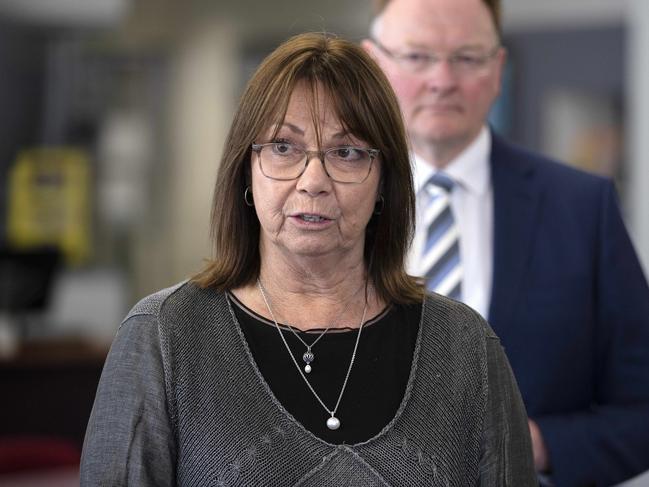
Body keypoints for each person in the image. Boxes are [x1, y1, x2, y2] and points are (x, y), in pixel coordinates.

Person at [80, 32, 536, 485]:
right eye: (283, 147)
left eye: (347, 152)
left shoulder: (465, 347)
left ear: (384, 182)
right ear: (247, 168)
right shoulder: (164, 336)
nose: (313, 180)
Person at [362, 1, 649, 486]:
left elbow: (643, 408)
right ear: (372, 65)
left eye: (467, 57)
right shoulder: (328, 204)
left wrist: (534, 444)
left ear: (498, 68)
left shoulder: (581, 209)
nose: (442, 80)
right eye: (417, 56)